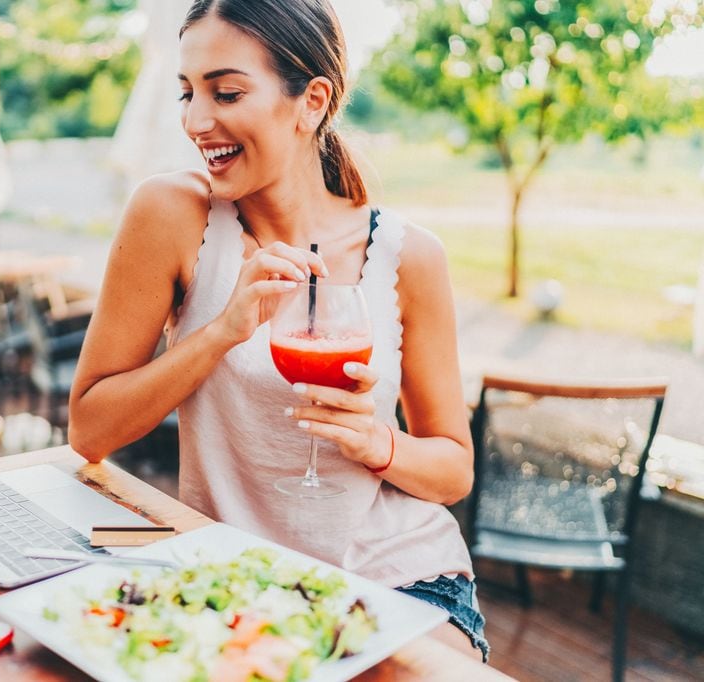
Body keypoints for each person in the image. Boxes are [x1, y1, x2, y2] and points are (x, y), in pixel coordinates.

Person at [68, 0, 488, 661]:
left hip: (399, 580)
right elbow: (90, 430)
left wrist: (376, 442)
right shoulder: (171, 216)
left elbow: (453, 470)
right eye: (187, 93)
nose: (196, 122)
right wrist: (219, 333)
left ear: (312, 101)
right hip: (236, 583)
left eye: (226, 91)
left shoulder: (410, 256)